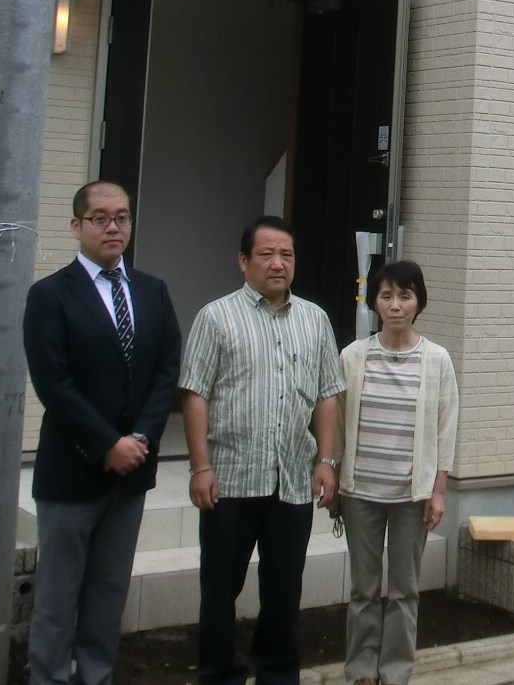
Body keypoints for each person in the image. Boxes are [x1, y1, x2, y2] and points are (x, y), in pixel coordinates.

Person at [22, 181, 182, 685]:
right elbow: (55, 383)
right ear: (76, 226)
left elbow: (165, 371)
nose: (113, 227)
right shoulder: (49, 295)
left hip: (130, 474)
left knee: (107, 596)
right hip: (73, 472)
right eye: (100, 218)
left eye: (122, 217)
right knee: (57, 598)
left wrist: (140, 440)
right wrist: (105, 445)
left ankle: (96, 677)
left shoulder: (153, 291)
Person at [179, 215, 346, 685]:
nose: (278, 264)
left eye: (286, 255)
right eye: (266, 254)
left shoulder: (315, 319)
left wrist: (326, 460)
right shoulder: (216, 316)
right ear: (243, 261)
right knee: (219, 589)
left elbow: (327, 394)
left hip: (291, 480)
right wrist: (199, 467)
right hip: (230, 478)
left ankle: (276, 673)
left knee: (283, 591)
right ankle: (219, 675)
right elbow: (195, 393)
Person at [334, 260, 458, 685]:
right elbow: (335, 420)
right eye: (386, 295)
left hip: (412, 496)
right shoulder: (352, 356)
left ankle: (396, 671)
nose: (396, 305)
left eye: (405, 295)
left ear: (418, 301)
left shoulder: (437, 360)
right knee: (363, 590)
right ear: (374, 302)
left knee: (404, 591)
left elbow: (446, 429)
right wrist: (332, 475)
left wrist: (438, 491)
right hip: (360, 492)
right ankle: (361, 671)